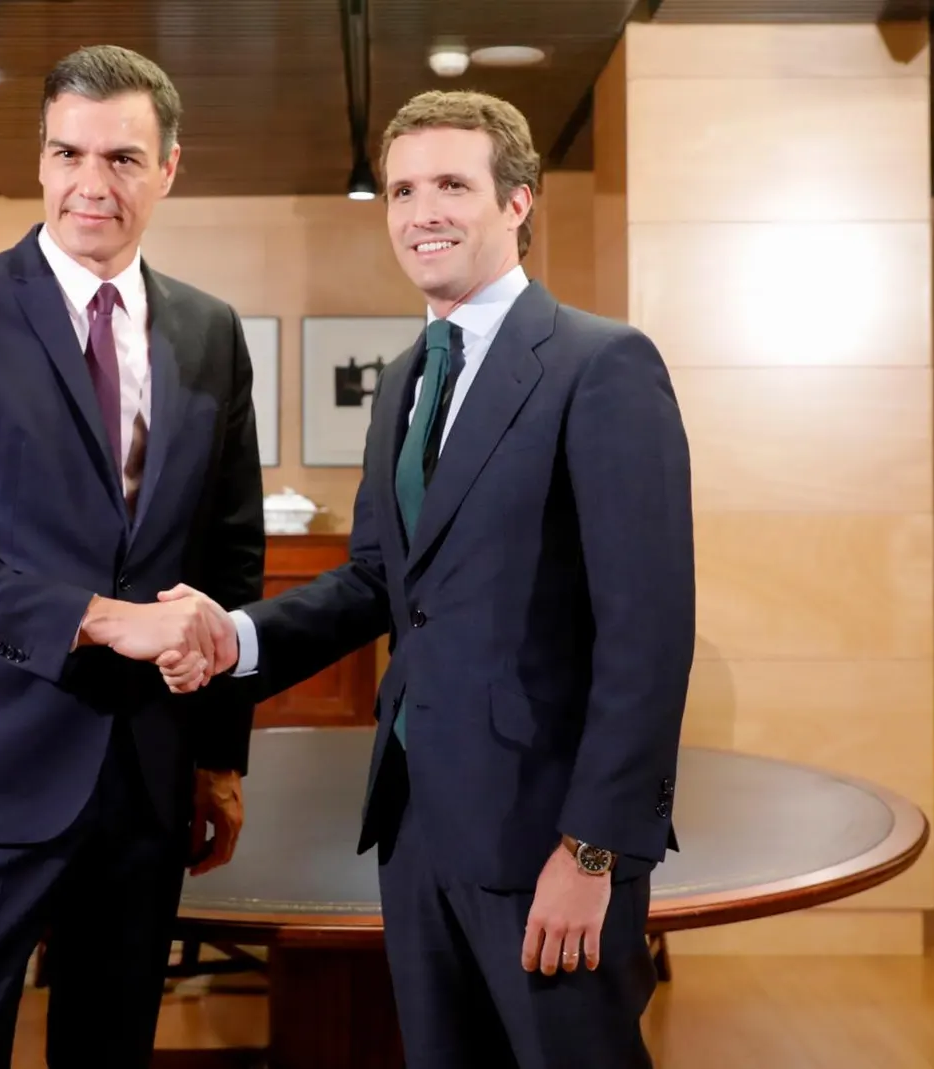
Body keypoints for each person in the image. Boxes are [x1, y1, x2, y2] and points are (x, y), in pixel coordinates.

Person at [160, 90, 694, 1068]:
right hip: (415, 827)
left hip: (545, 840)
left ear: (518, 201)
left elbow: (647, 639)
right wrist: (234, 636)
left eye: (452, 183)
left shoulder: (601, 365)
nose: (420, 212)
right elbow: (377, 580)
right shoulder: (409, 374)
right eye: (402, 189)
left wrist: (592, 854)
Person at [0, 44, 264, 1069]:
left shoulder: (210, 332)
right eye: (68, 153)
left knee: (110, 1050)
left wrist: (217, 755)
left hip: (145, 776)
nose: (93, 184)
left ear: (169, 168)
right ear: (40, 161)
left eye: (124, 158)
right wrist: (96, 616)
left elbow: (229, 554)